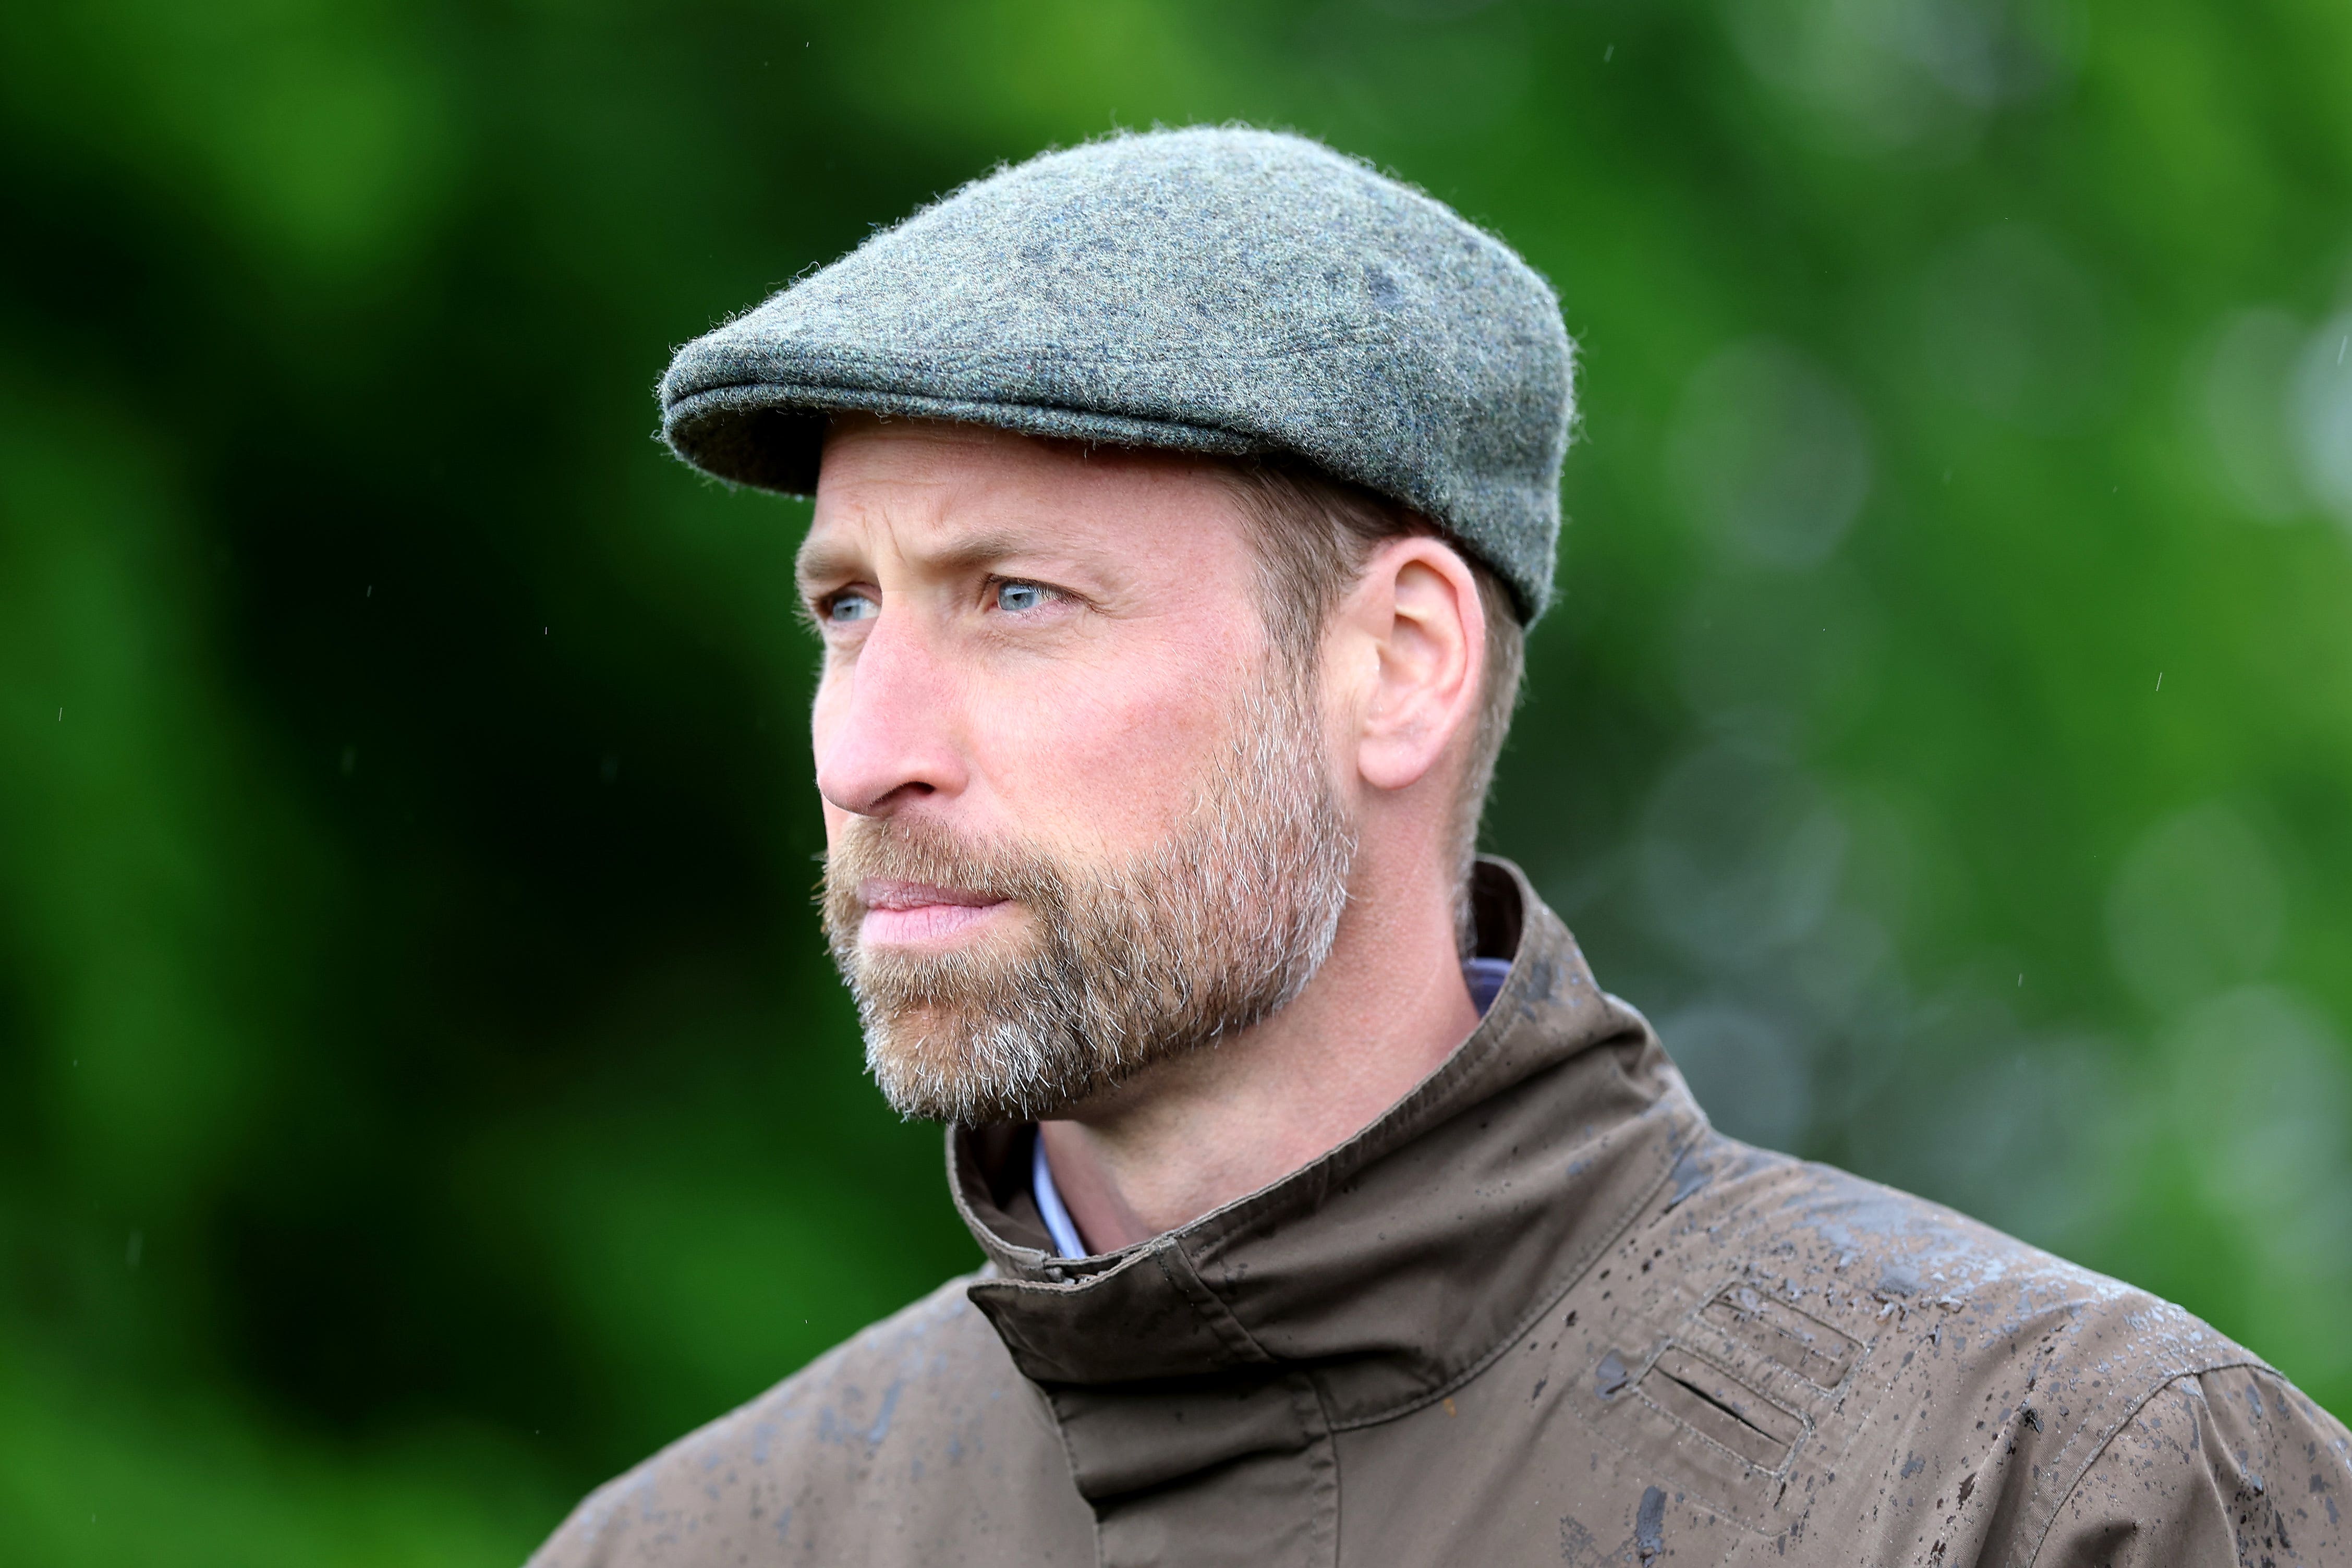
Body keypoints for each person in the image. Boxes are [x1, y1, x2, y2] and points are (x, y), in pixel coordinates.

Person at [530, 128, 2350, 1568]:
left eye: (1016, 597)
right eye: (846, 611)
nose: (864, 751)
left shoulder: (2058, 1496)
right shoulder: (695, 1547)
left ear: (1396, 666)